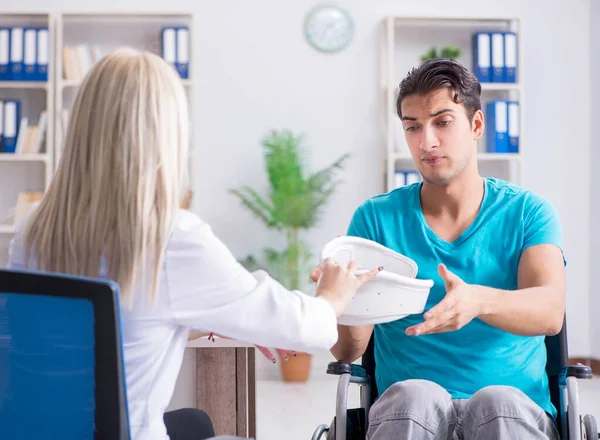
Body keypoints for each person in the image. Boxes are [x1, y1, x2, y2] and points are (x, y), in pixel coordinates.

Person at [6, 48, 382, 440]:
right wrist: (334, 295)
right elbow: (305, 328)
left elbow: (101, 334)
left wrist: (210, 319)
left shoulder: (34, 229)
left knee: (195, 422)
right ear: (164, 137)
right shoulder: (170, 238)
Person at [312, 58, 565, 440]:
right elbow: (349, 351)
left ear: (476, 125)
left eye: (442, 122)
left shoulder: (529, 212)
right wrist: (334, 302)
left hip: (513, 413)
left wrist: (478, 301)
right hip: (409, 414)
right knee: (415, 395)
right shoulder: (376, 220)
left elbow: (550, 311)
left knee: (497, 403)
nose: (425, 141)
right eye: (412, 127)